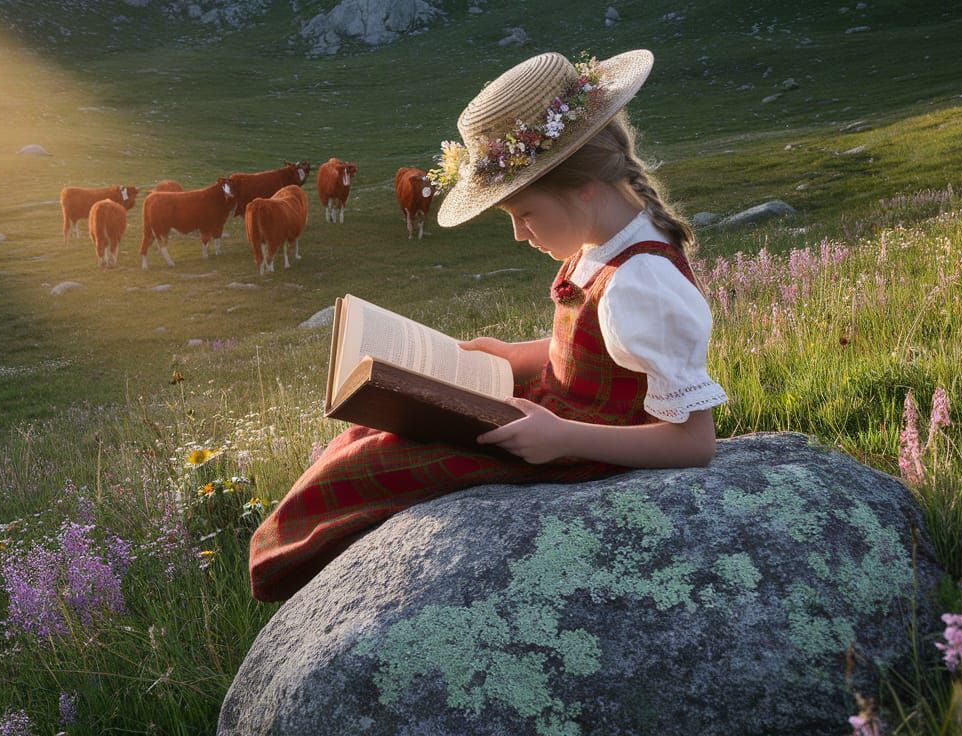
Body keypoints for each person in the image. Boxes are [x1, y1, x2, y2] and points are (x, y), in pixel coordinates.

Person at [248, 48, 729, 603]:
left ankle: (291, 571)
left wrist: (561, 438)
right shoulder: (604, 239)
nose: (521, 236)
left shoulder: (643, 283)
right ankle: (294, 569)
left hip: (587, 443)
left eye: (524, 214)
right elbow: (592, 351)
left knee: (388, 459)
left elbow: (694, 442)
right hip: (557, 411)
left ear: (583, 188)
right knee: (370, 433)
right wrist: (511, 355)